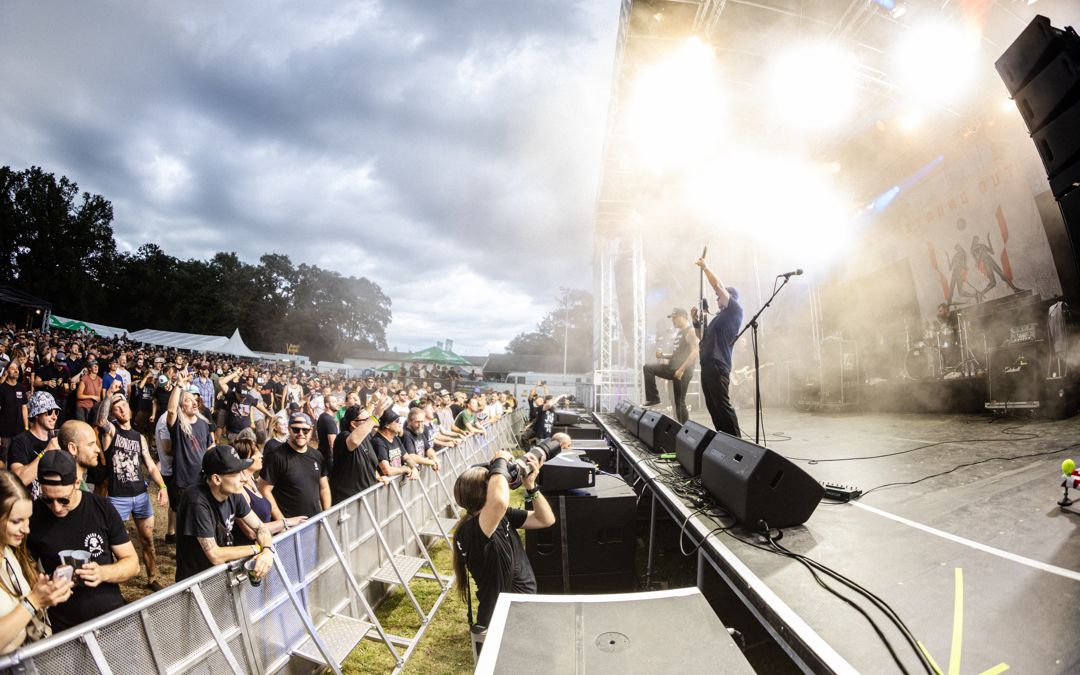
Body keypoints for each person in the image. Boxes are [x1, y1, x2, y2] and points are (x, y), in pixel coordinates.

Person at [27, 451, 139, 632]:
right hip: (63, 628)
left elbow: (133, 564)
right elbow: (26, 567)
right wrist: (46, 583)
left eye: (64, 499)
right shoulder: (33, 516)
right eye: (48, 499)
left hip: (111, 620)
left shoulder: (102, 508)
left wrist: (102, 573)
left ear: (77, 484)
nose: (56, 507)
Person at [451, 448, 555, 629]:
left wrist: (531, 486)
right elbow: (498, 501)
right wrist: (500, 462)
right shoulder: (471, 531)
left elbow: (545, 519)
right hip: (504, 617)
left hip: (518, 610)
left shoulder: (500, 516)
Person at [95, 390, 168, 591]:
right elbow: (101, 422)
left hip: (141, 496)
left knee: (148, 541)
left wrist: (162, 487)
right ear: (113, 412)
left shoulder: (138, 437)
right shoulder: (111, 431)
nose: (122, 409)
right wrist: (108, 397)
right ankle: (112, 584)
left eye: (124, 405)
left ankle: (152, 578)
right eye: (116, 408)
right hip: (118, 497)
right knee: (113, 544)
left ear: (129, 407)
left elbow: (151, 466)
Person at [174, 445, 276, 582]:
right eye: (235, 473)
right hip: (195, 583)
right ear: (216, 479)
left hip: (221, 576)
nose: (244, 478)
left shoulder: (235, 493)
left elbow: (260, 527)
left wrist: (267, 550)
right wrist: (258, 548)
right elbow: (215, 555)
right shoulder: (196, 501)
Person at [0, 469, 73, 653]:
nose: (26, 530)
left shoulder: (9, 552)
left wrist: (47, 594)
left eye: (28, 520)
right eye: (17, 521)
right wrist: (34, 601)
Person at [692, 256, 743, 438]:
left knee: (721, 404)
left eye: (718, 297)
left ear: (730, 298)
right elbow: (701, 337)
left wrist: (706, 268)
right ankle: (724, 438)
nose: (716, 299)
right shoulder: (718, 318)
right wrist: (695, 321)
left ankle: (737, 442)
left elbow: (719, 287)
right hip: (707, 363)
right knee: (713, 405)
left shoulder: (734, 311)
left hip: (718, 363)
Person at [259, 413, 330, 520]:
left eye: (305, 430)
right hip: (290, 529)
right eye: (296, 429)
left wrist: (327, 514)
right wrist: (284, 522)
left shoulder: (317, 456)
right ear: (289, 429)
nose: (301, 433)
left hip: (315, 521)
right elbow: (264, 490)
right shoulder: (276, 456)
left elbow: (324, 488)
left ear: (311, 431)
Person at [643, 307, 698, 423]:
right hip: (673, 368)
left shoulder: (690, 331)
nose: (673, 321)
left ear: (682, 317)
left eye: (675, 318)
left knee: (679, 401)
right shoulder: (679, 333)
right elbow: (676, 354)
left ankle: (684, 428)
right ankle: (653, 399)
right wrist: (663, 355)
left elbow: (695, 353)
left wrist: (681, 370)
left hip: (683, 371)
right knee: (648, 368)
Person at [166, 371, 215, 499]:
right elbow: (171, 410)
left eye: (195, 400)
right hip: (184, 481)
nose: (194, 403)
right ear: (181, 406)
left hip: (202, 479)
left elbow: (209, 447)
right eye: (188, 400)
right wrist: (179, 385)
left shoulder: (203, 423)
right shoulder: (178, 424)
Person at [328, 405, 387, 505]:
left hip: (366, 498)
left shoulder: (367, 437)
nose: (371, 422)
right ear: (353, 424)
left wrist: (377, 476)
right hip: (348, 502)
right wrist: (375, 415)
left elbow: (369, 463)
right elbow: (354, 440)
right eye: (367, 420)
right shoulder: (343, 437)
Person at [8, 393, 61, 499]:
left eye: (56, 412)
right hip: (29, 509)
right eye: (49, 412)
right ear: (36, 414)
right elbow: (18, 480)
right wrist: (45, 452)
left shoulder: (54, 441)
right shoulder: (20, 441)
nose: (54, 416)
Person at [370, 409, 418, 480]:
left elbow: (407, 458)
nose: (400, 423)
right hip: (385, 487)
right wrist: (405, 469)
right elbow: (387, 470)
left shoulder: (395, 438)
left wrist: (414, 468)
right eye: (397, 421)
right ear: (387, 425)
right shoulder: (378, 442)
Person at [0, 363, 29, 465]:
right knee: (4, 458)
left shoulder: (21, 387)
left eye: (17, 369)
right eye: (12, 368)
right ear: (7, 371)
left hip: (19, 430)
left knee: (18, 457)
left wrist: (26, 428)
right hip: (5, 431)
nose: (16, 370)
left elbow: (24, 408)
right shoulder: (2, 388)